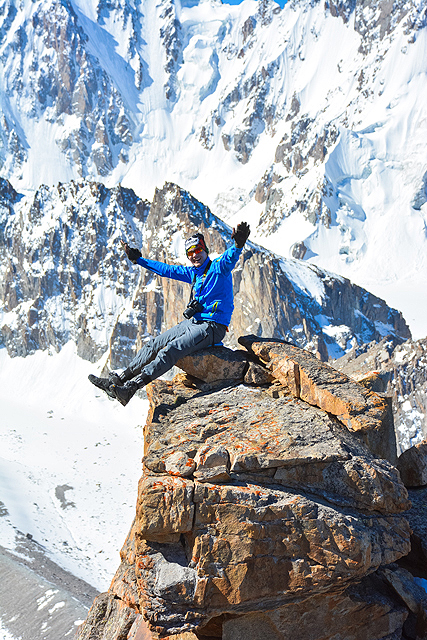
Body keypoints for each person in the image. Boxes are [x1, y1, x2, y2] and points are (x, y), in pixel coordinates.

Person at [88, 222, 250, 406]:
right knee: (154, 345)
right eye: (190, 253)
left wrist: (238, 245)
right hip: (195, 322)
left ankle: (131, 388)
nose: (195, 255)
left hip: (212, 326)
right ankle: (118, 381)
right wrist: (138, 260)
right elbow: (167, 270)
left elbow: (230, 257)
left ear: (205, 250)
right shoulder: (194, 273)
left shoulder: (218, 268)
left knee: (170, 350)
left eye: (198, 250)